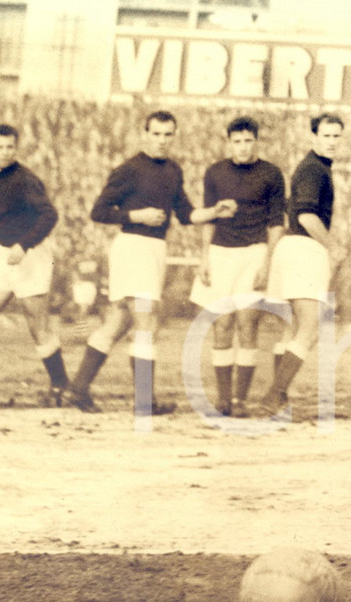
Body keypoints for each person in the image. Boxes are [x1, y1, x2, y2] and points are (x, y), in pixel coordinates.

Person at [65, 111, 236, 415]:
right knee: (146, 321)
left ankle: (77, 388)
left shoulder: (173, 170)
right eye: (155, 134)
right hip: (132, 246)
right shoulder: (129, 169)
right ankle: (144, 401)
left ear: (174, 135)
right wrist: (135, 216)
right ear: (145, 134)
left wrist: (215, 212)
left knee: (119, 321)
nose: (161, 140)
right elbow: (98, 211)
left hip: (155, 249)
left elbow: (185, 215)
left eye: (167, 134)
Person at [0, 124, 68, 407]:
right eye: (0, 147)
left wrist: (23, 244)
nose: (6, 152)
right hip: (3, 254)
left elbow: (49, 215)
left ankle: (61, 388)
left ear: (16, 148)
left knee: (37, 325)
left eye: (10, 147)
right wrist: (7, 244)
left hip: (30, 254)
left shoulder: (25, 179)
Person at [189, 116, 286, 417]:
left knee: (247, 325)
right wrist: (204, 257)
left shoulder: (271, 174)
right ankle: (224, 398)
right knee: (222, 326)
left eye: (248, 141)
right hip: (220, 253)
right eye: (237, 141)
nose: (243, 147)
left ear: (256, 141)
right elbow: (209, 219)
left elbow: (276, 224)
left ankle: (241, 400)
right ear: (228, 142)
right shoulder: (215, 172)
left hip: (255, 252)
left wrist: (267, 262)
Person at [256, 113, 346, 418]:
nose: (332, 141)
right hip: (303, 248)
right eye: (326, 136)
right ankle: (274, 395)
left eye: (336, 136)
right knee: (309, 328)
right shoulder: (314, 170)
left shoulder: (317, 168)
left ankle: (278, 400)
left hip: (293, 248)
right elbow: (307, 216)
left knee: (293, 330)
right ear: (314, 137)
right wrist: (333, 246)